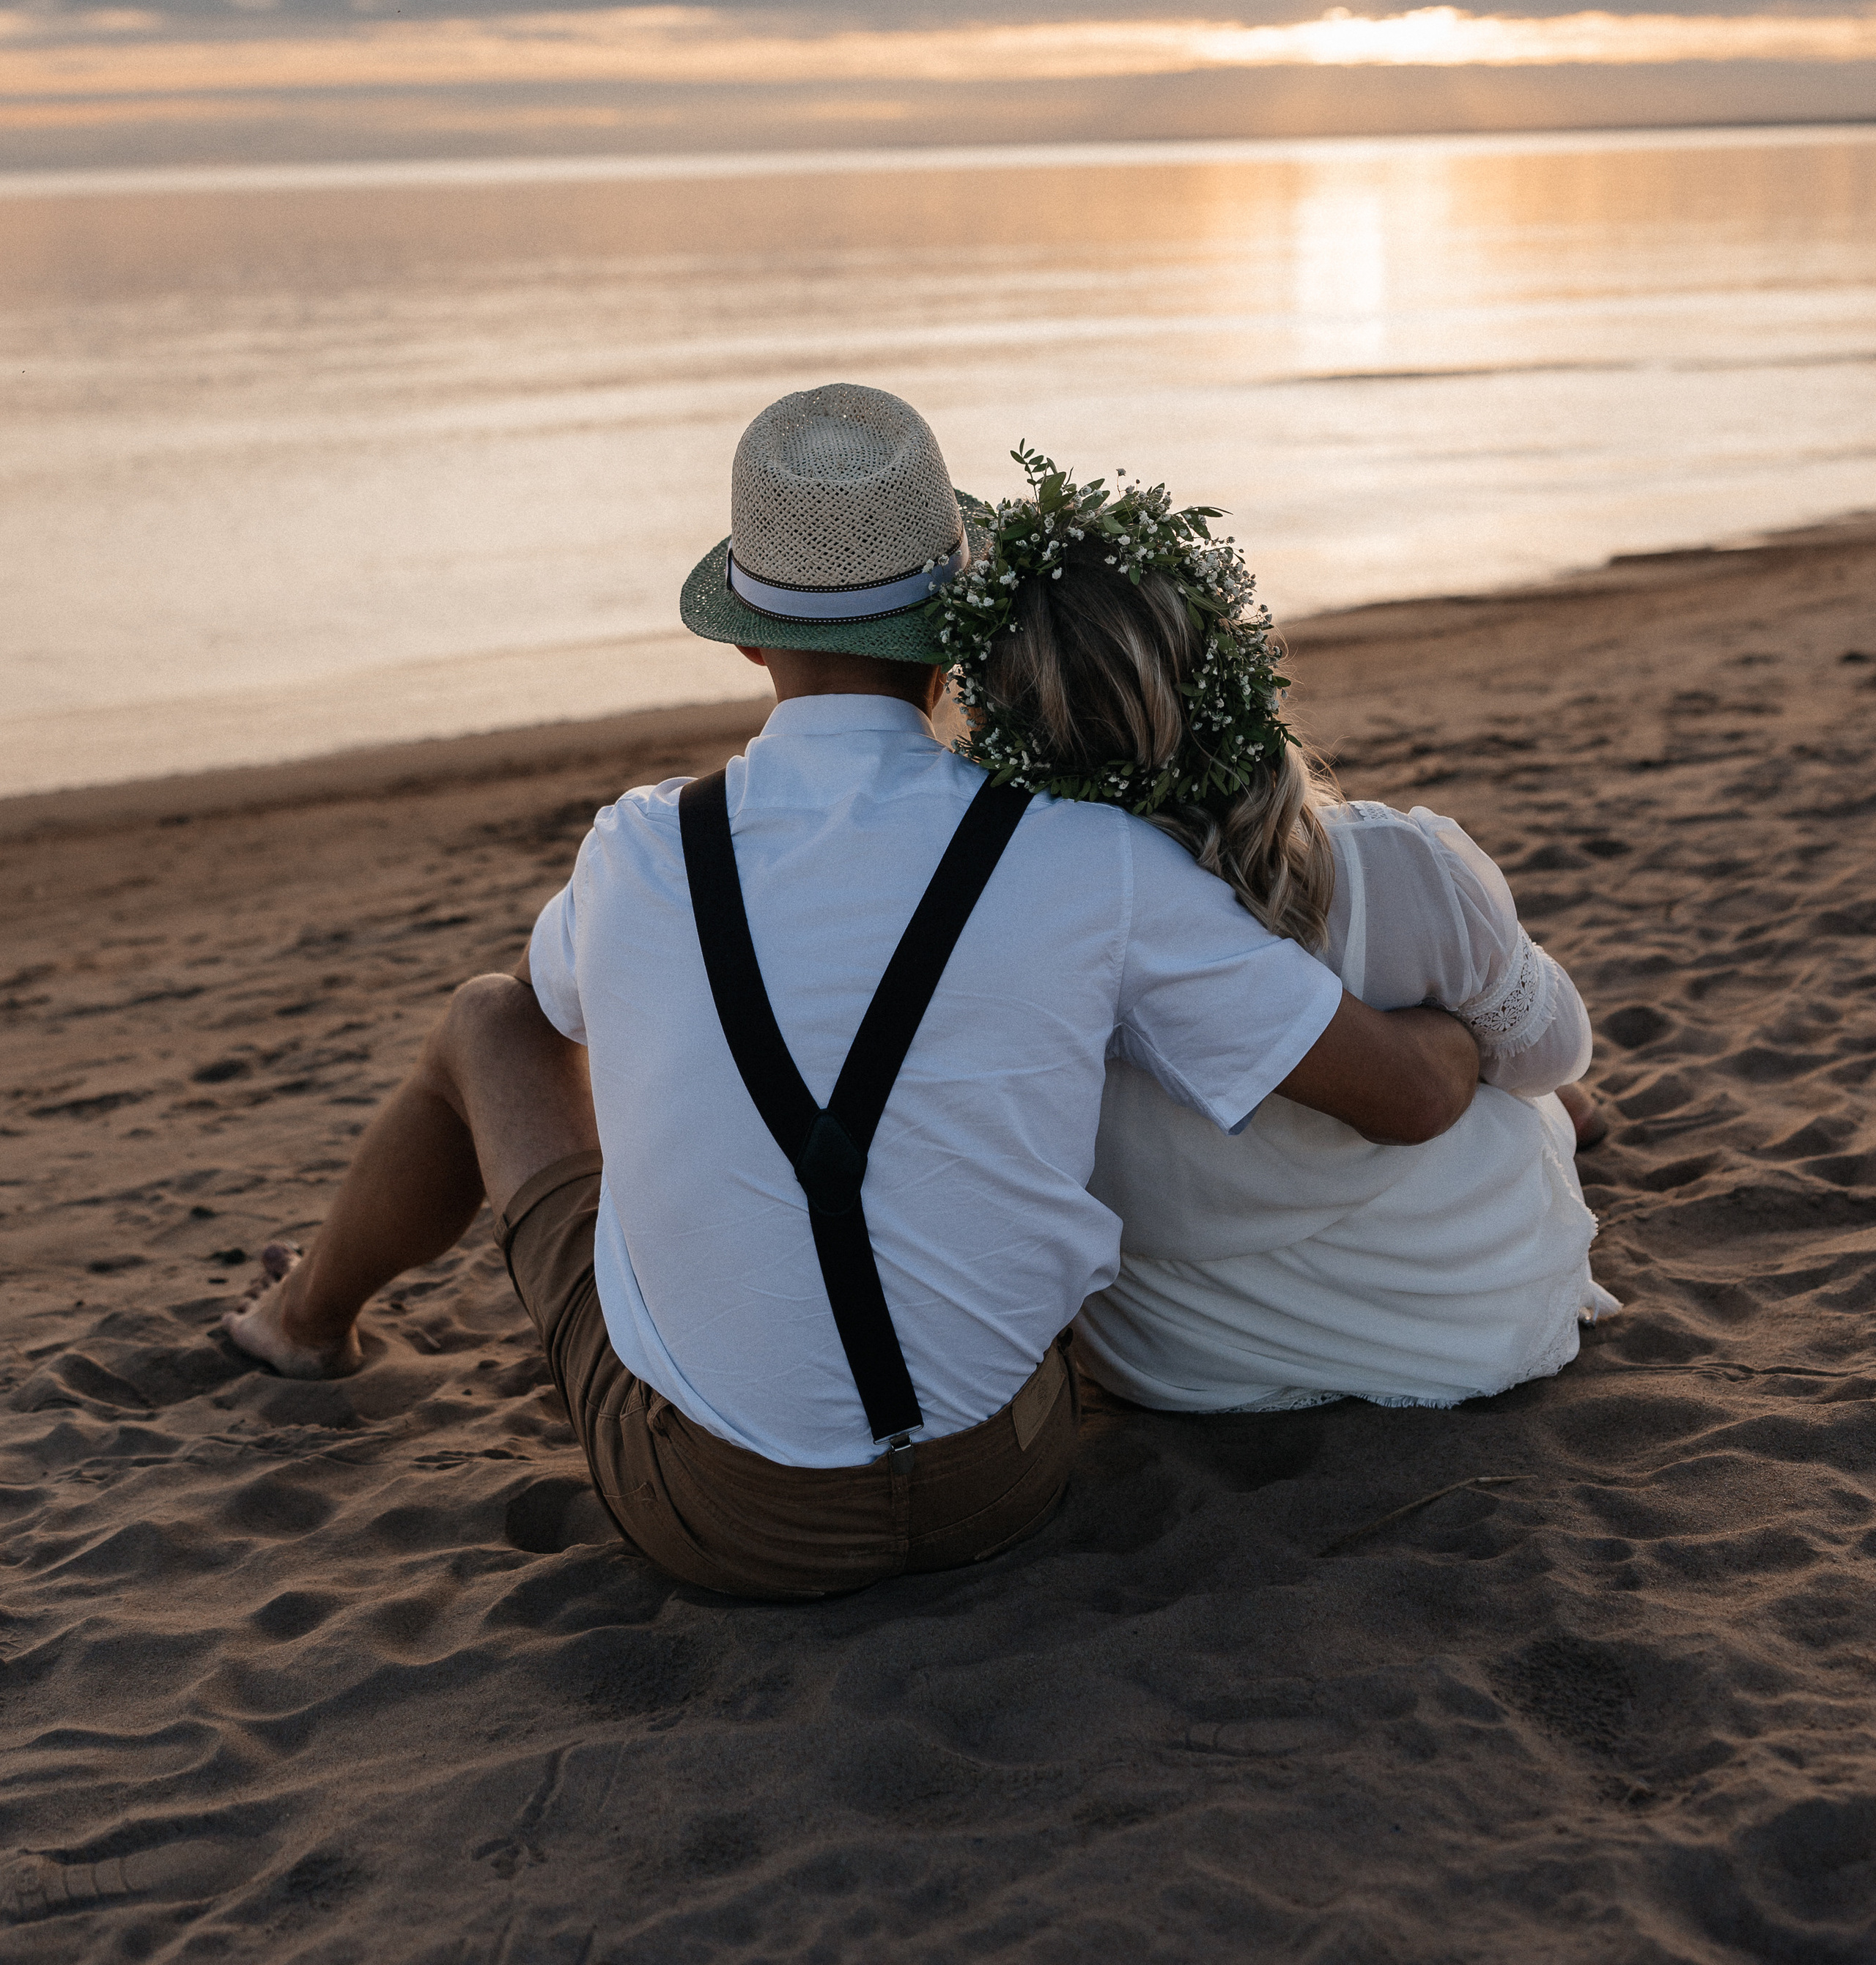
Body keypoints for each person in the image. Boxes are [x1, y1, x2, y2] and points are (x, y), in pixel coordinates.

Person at [225, 383, 1482, 1600]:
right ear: (953, 635)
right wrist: (1480, 1043)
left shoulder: (642, 851)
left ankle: (305, 1320)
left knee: (487, 1023)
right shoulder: (1089, 860)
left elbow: (558, 1021)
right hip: (1008, 1476)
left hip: (719, 1520)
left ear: (748, 636)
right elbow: (1412, 1099)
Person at [927, 445, 1619, 1417]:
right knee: (1524, 1070)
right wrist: (1457, 1033)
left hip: (1175, 1362)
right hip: (1463, 1324)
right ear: (1233, 669)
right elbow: (1551, 1047)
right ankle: (1564, 1108)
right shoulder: (1396, 865)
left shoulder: (993, 913)